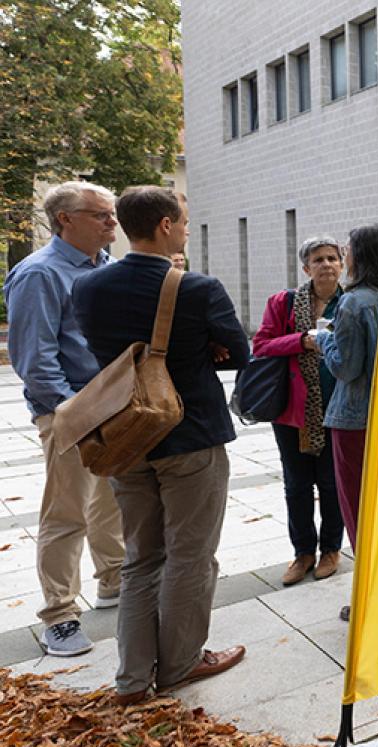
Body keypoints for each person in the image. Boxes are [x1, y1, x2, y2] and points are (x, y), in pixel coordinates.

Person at [72, 185, 249, 704]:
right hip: (190, 432)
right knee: (190, 555)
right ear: (166, 225)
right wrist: (206, 348)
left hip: (126, 437)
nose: (187, 230)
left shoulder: (87, 286)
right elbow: (240, 352)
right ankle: (181, 663)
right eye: (185, 222)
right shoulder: (198, 288)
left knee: (140, 557)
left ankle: (131, 679)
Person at [3, 181, 125, 657]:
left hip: (114, 405)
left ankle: (113, 579)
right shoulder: (38, 274)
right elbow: (34, 358)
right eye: (100, 214)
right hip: (69, 410)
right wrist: (72, 411)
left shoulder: (106, 266)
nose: (112, 221)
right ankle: (60, 616)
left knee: (111, 501)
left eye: (112, 213)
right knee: (67, 513)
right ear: (65, 220)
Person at [252, 237, 346, 586]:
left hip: (337, 410)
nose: (326, 264)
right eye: (318, 259)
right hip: (293, 411)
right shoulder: (284, 303)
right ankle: (303, 552)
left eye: (332, 258)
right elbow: (261, 345)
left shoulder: (350, 303)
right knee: (296, 485)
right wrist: (301, 341)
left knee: (332, 484)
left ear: (342, 264)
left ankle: (331, 548)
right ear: (306, 268)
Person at [313, 223, 378, 548]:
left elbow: (346, 368)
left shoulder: (353, 303)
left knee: (358, 506)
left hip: (355, 418)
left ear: (361, 256)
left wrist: (323, 340)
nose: (345, 257)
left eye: (346, 251)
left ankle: (367, 577)